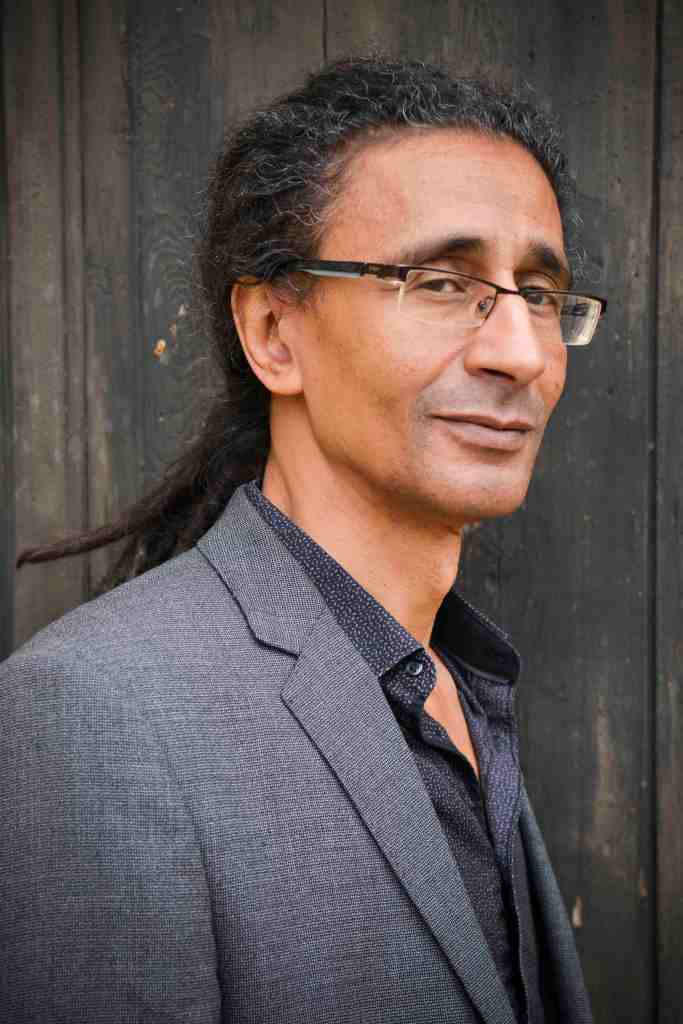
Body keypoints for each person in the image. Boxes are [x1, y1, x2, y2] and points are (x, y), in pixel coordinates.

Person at [1, 55, 606, 1024]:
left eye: (537, 292)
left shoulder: (456, 683)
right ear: (273, 331)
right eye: (440, 281)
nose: (521, 352)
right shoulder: (96, 715)